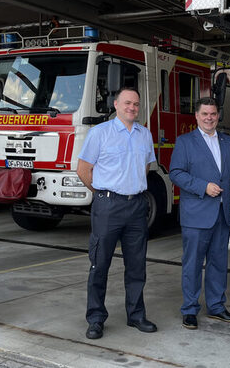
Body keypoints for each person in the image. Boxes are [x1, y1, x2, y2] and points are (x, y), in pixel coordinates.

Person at [170, 97, 230, 330]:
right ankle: (190, 310)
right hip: (196, 214)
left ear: (218, 116)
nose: (209, 118)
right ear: (196, 116)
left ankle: (216, 306)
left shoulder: (227, 142)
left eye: (213, 114)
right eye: (204, 114)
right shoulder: (185, 142)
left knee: (218, 263)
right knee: (192, 264)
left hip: (222, 213)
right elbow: (176, 173)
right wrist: (202, 186)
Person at [76, 87, 157, 340]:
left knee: (136, 266)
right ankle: (96, 319)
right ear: (116, 104)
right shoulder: (99, 133)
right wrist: (103, 194)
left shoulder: (145, 134)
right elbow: (83, 169)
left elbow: (144, 168)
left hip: (136, 206)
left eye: (136, 104)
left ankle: (136, 315)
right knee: (99, 264)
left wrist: (131, 190)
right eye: (127, 103)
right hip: (108, 206)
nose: (132, 107)